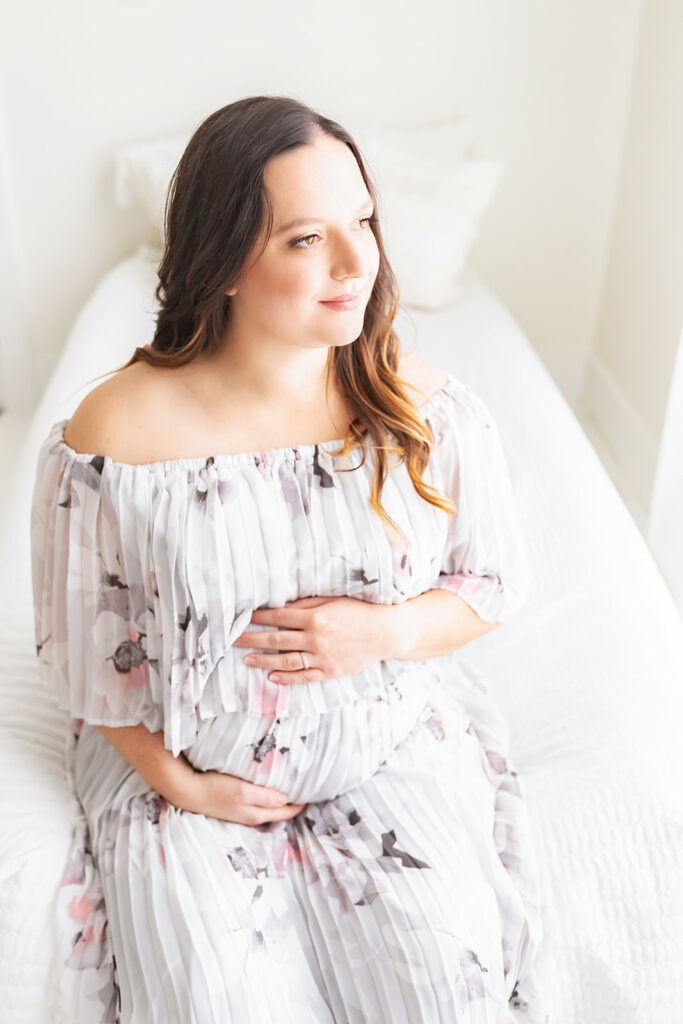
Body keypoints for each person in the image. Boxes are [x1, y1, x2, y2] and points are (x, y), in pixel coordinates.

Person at [30, 95, 549, 1023]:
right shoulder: (115, 437)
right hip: (189, 785)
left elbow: (491, 584)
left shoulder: (421, 409)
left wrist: (385, 631)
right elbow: (85, 654)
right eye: (306, 239)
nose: (356, 265)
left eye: (363, 223)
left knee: (442, 995)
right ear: (224, 260)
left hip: (382, 756)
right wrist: (177, 782)